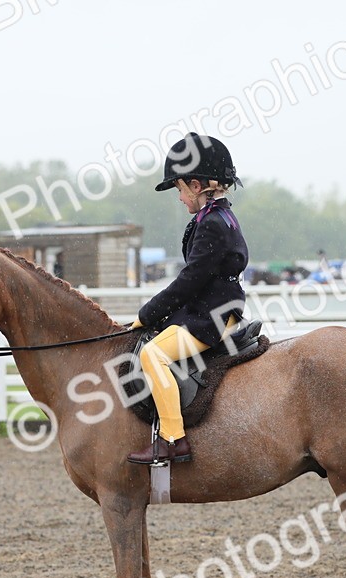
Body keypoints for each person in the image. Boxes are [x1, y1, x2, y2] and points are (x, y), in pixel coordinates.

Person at [127, 133, 247, 465]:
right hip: (216, 307)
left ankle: (172, 439)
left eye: (179, 189)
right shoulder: (220, 216)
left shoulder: (210, 224)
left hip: (213, 315)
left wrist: (148, 313)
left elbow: (190, 281)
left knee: (152, 356)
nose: (179, 198)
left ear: (196, 186)